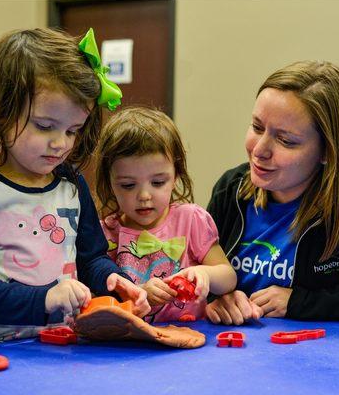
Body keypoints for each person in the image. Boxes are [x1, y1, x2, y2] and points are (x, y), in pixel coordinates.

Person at [0, 28, 150, 351]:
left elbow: (91, 258)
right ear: (2, 113)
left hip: (59, 350)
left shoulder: (71, 184)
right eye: (45, 126)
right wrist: (42, 299)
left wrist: (111, 280)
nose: (61, 144)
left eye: (73, 130)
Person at [205, 60, 339, 325]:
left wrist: (298, 302)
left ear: (328, 151)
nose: (259, 150)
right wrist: (214, 298)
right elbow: (192, 270)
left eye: (285, 141)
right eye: (257, 127)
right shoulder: (230, 189)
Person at [95, 107, 236, 323]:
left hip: (191, 340)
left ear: (176, 175)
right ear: (110, 182)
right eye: (128, 185)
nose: (144, 195)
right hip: (127, 346)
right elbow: (98, 299)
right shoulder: (105, 233)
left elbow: (229, 276)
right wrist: (137, 293)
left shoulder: (191, 220)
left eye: (158, 183)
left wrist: (206, 274)